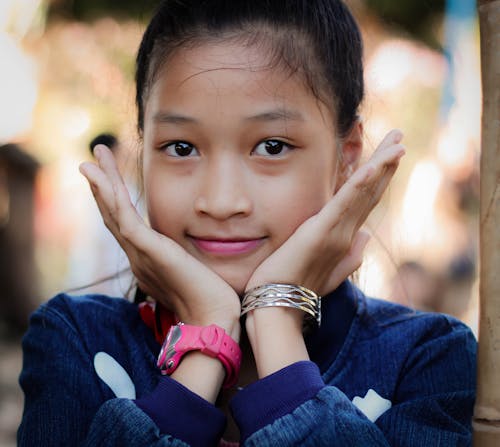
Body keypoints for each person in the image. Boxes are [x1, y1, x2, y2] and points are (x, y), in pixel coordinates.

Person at [17, 0, 476, 445]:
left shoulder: (424, 357)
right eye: (181, 147)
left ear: (346, 158)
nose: (220, 202)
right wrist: (207, 334)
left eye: (272, 146)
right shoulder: (75, 340)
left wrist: (276, 318)